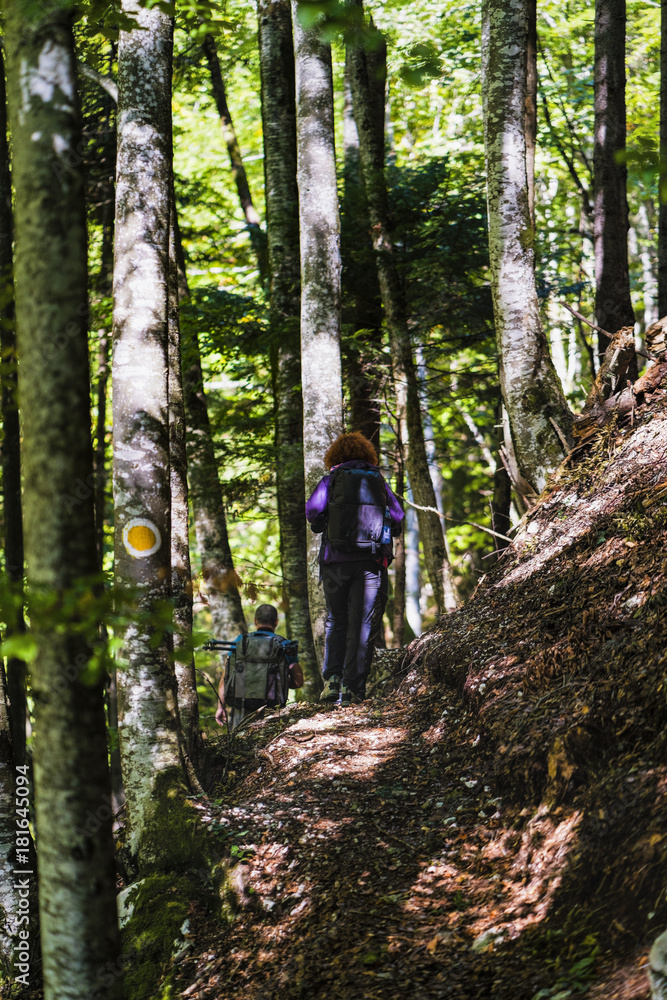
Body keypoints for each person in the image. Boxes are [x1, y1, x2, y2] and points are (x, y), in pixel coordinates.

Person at [305, 431, 404, 707]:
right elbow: (397, 515)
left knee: (336, 620)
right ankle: (353, 689)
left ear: (335, 456)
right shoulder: (378, 481)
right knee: (362, 625)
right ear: (367, 455)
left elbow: (313, 511)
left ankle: (332, 681)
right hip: (370, 564)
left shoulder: (331, 479)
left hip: (335, 563)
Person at [215, 604, 303, 730]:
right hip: (273, 710)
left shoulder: (241, 642)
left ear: (255, 621)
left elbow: (226, 678)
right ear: (276, 622)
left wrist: (220, 707)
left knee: (239, 743)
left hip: (241, 708)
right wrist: (276, 678)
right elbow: (298, 681)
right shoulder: (283, 645)